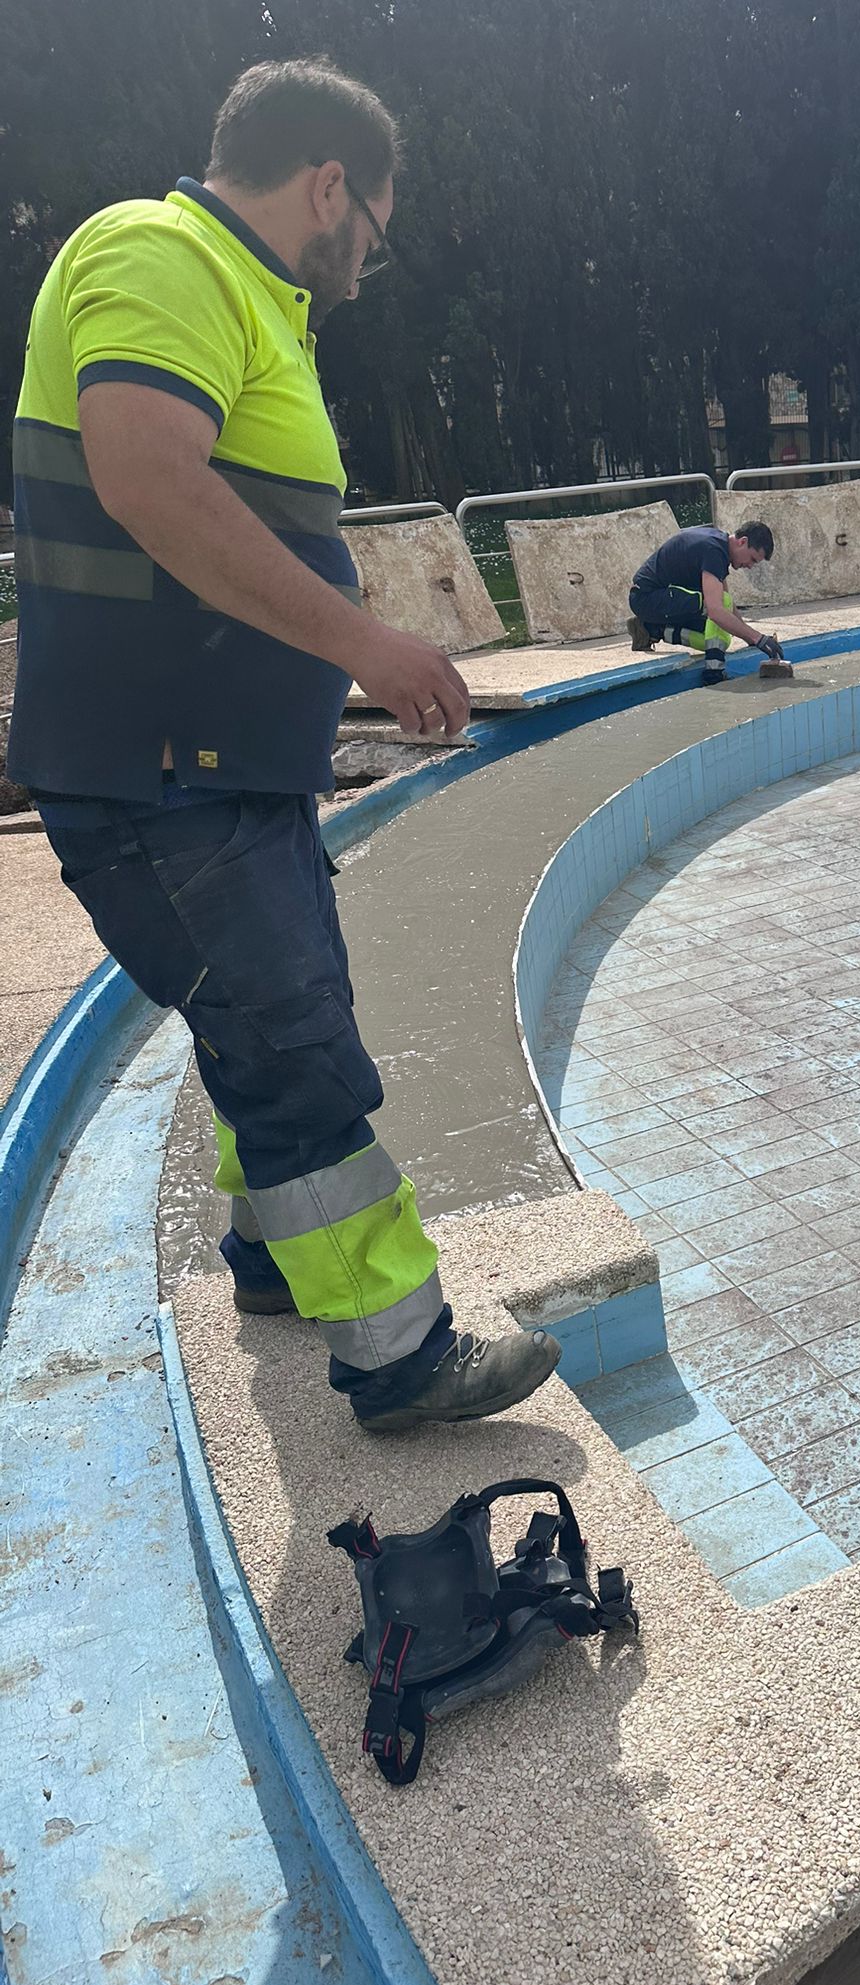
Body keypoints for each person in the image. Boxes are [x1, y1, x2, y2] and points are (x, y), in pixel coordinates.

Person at [6, 59, 559, 1433]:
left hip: (220, 772)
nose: (368, 262)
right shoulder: (161, 251)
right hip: (159, 775)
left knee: (268, 1018)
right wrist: (368, 647)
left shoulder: (251, 298)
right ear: (328, 186)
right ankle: (401, 1356)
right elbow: (147, 477)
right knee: (292, 1046)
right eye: (375, 229)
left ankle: (266, 1260)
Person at [627, 521, 785, 683]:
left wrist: (749, 637)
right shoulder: (714, 550)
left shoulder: (719, 546)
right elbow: (716, 610)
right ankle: (713, 673)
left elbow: (726, 600)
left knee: (717, 640)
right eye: (752, 559)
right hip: (647, 597)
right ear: (742, 542)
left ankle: (652, 630)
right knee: (718, 612)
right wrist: (758, 638)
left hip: (660, 600)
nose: (750, 566)